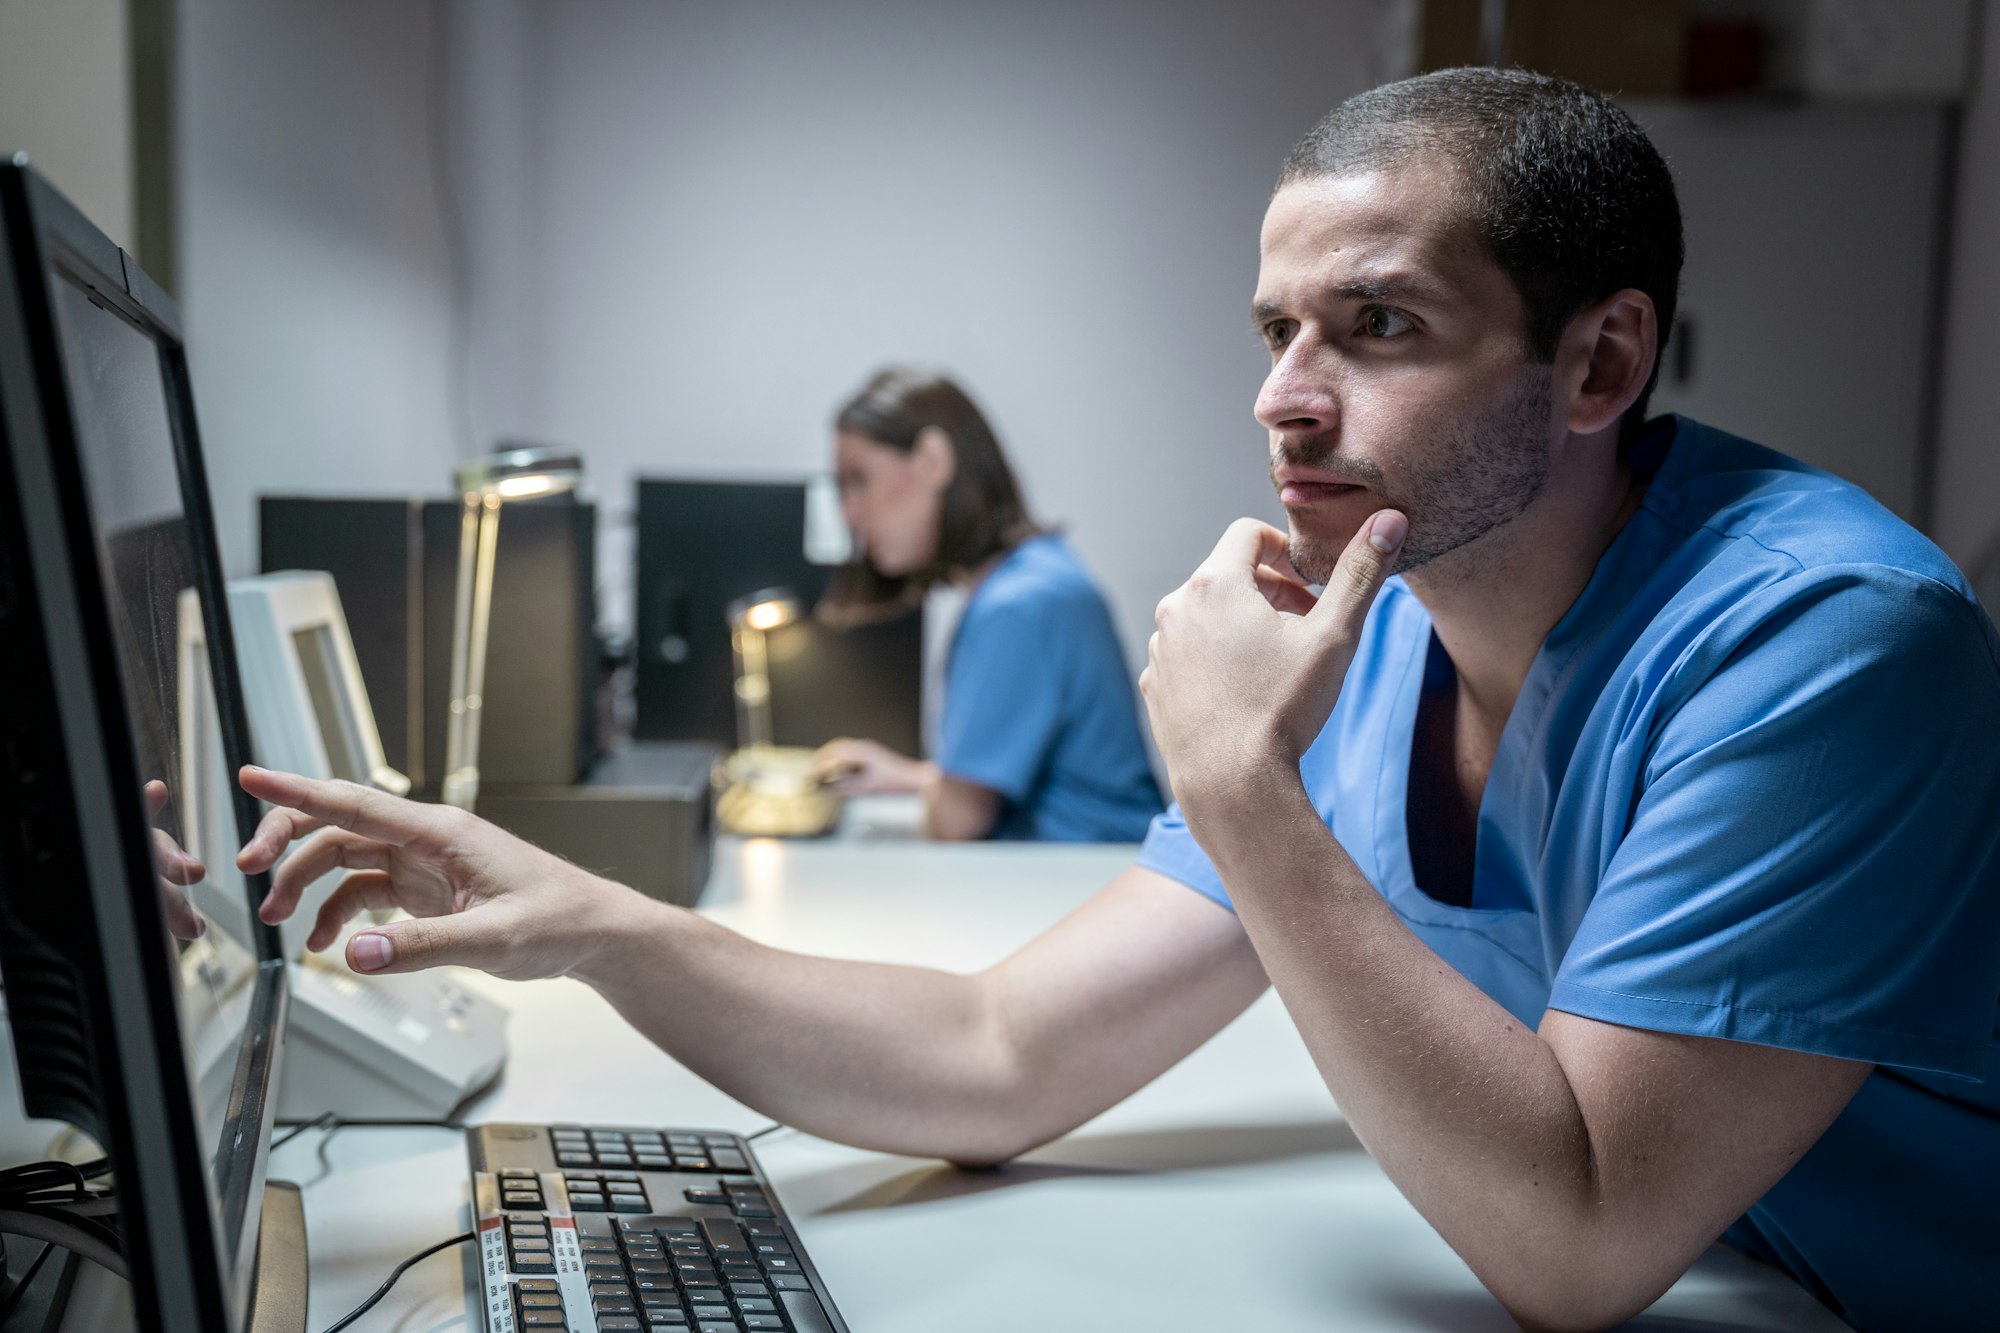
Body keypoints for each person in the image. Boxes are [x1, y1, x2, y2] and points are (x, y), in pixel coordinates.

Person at [237, 69, 1999, 1331]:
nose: (1283, 403)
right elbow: (1001, 1055)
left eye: (1375, 325)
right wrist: (593, 927)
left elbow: (1577, 1236)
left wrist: (1245, 786)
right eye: (1274, 330)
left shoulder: (1827, 638)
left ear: (1601, 359)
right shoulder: (1382, 623)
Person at [809, 367, 1162, 841]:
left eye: (858, 480)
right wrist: (912, 778)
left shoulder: (1016, 607)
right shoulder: (1039, 576)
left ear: (933, 460)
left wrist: (938, 795)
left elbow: (956, 823)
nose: (849, 512)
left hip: (1081, 878)